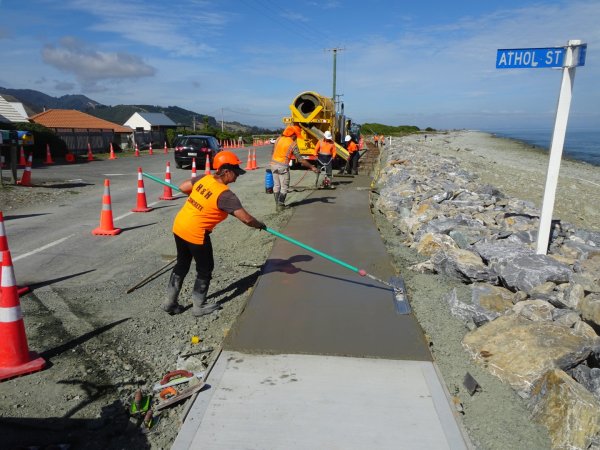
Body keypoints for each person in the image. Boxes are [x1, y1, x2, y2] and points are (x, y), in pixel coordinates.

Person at [163, 151, 266, 317]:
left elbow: (183, 188)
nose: (237, 176)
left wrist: (201, 199)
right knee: (205, 268)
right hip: (196, 232)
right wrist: (260, 225)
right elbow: (246, 219)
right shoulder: (226, 195)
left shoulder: (205, 178)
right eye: (236, 172)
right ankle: (199, 307)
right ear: (226, 171)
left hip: (180, 225)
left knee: (182, 264)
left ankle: (169, 302)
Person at [270, 125, 318, 211]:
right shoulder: (292, 144)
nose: (296, 137)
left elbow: (272, 152)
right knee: (284, 187)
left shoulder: (278, 139)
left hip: (273, 165)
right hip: (282, 167)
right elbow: (301, 160)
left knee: (276, 185)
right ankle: (280, 206)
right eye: (296, 135)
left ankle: (277, 204)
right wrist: (312, 167)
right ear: (292, 134)